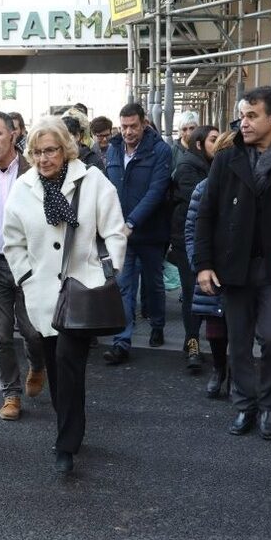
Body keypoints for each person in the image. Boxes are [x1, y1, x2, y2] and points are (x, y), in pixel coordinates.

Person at [4, 117, 127, 474]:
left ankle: (66, 443)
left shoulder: (91, 181)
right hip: (41, 292)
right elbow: (13, 241)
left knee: (69, 361)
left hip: (81, 288)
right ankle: (68, 423)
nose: (44, 158)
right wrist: (26, 278)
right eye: (38, 151)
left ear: (66, 149)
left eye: (52, 150)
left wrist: (107, 272)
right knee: (56, 368)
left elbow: (115, 231)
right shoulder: (24, 188)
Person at [194, 87, 271, 440]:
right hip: (233, 265)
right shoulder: (228, 157)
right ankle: (244, 406)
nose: (243, 123)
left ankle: (269, 406)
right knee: (238, 340)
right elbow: (206, 213)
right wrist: (204, 264)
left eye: (252, 116)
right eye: (242, 115)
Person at [0, 110, 47, 420]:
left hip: (31, 265)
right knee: (0, 335)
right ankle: (11, 394)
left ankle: (38, 364)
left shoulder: (36, 172)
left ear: (13, 135)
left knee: (33, 332)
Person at [102, 102, 173, 362]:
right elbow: (108, 188)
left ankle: (157, 325)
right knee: (123, 286)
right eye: (123, 127)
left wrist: (131, 223)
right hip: (121, 233)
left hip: (151, 233)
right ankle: (122, 341)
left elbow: (156, 192)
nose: (128, 132)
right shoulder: (113, 149)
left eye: (133, 126)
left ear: (144, 123)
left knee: (154, 284)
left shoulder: (160, 151)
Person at [185, 130, 237, 398]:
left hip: (240, 269)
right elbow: (191, 229)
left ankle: (237, 376)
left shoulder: (249, 187)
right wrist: (200, 264)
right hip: (211, 267)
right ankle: (219, 370)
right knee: (216, 329)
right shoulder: (203, 188)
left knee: (240, 329)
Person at [169, 124, 218, 372]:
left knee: (202, 296)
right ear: (200, 144)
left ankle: (201, 344)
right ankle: (192, 344)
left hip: (205, 242)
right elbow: (202, 207)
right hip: (186, 242)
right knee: (192, 296)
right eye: (213, 140)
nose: (218, 144)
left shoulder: (210, 166)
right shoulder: (188, 168)